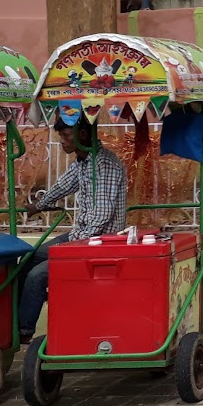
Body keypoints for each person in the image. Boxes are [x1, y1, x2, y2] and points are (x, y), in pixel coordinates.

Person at [17, 120, 129, 341]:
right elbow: (63, 186)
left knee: (36, 276)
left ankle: (23, 331)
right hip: (81, 235)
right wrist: (38, 206)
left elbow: (101, 216)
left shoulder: (104, 165)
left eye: (67, 136)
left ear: (84, 134)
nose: (62, 142)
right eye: (61, 136)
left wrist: (71, 247)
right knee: (26, 259)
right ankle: (11, 320)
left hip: (100, 242)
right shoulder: (83, 161)